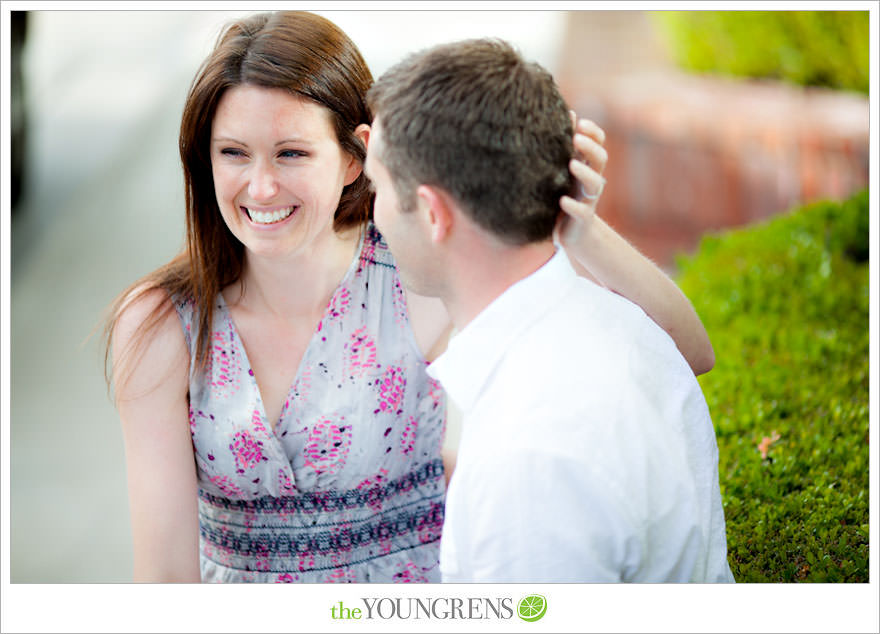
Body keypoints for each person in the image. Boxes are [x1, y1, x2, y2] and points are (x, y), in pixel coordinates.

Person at [105, 11, 715, 583]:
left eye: (291, 153)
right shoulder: (163, 324)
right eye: (233, 153)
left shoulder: (414, 272)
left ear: (355, 159)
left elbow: (679, 351)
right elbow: (164, 583)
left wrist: (573, 220)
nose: (260, 187)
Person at [364, 38, 735, 582]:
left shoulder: (529, 460)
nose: (373, 217)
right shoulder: (626, 321)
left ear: (431, 212)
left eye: (377, 185)